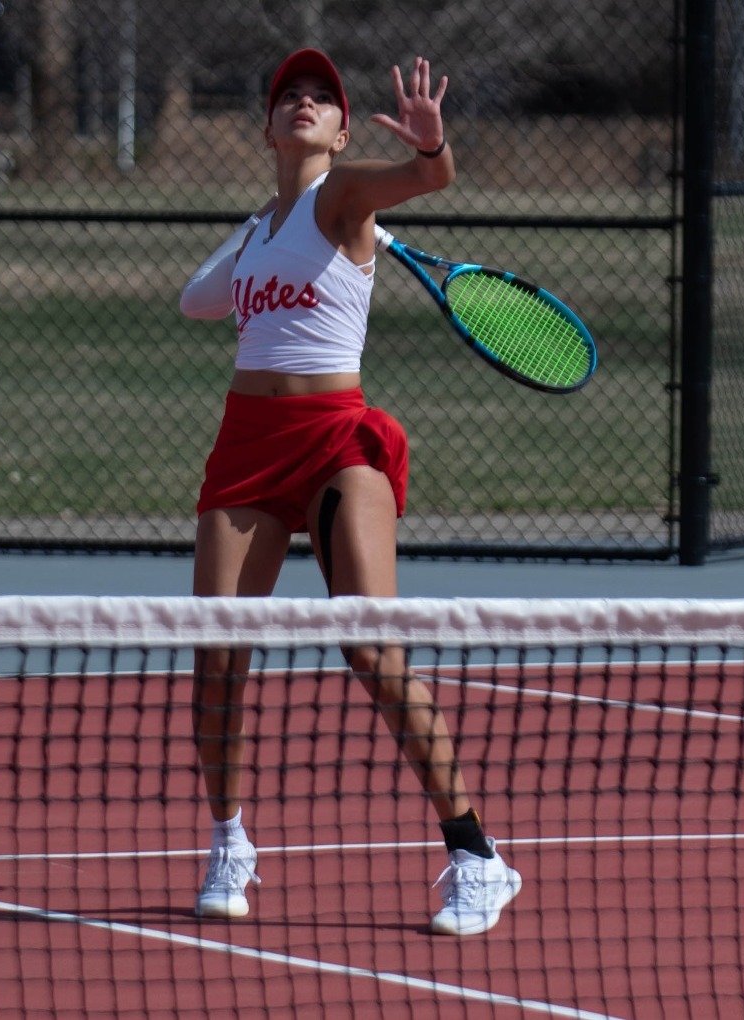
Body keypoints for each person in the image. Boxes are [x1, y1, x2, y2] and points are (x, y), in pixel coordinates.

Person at [176, 48, 522, 937]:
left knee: (370, 649)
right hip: (247, 448)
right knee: (218, 655)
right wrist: (262, 221)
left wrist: (427, 150)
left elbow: (426, 175)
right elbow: (197, 303)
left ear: (336, 129)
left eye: (320, 99)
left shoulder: (342, 197)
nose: (303, 103)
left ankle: (477, 858)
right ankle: (229, 845)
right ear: (266, 128)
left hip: (336, 439)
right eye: (286, 96)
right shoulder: (264, 228)